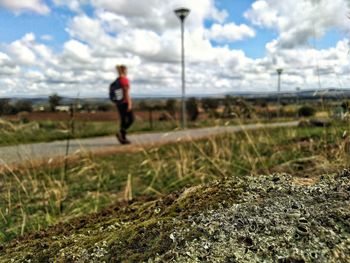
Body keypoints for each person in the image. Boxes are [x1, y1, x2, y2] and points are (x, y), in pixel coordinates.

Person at [109, 64, 134, 144]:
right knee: (131, 119)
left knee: (123, 120)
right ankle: (121, 133)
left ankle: (123, 138)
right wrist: (129, 103)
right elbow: (126, 92)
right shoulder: (124, 80)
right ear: (124, 70)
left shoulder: (117, 80)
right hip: (125, 102)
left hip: (119, 103)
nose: (127, 72)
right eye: (126, 70)